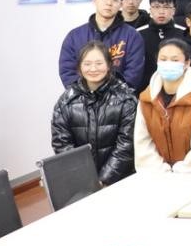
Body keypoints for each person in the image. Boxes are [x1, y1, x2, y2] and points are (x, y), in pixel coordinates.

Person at [51, 41, 137, 186]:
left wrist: (103, 180)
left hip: (119, 180)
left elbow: (126, 147)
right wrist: (86, 178)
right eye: (87, 64)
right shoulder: (66, 101)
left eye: (99, 63)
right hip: (82, 181)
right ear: (79, 67)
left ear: (109, 65)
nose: (93, 69)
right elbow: (61, 144)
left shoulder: (126, 99)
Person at [134, 38, 191, 173]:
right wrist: (162, 172)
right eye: (163, 59)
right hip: (157, 177)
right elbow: (142, 143)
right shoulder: (146, 99)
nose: (168, 64)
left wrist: (182, 172)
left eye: (175, 60)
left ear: (187, 63)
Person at [58, 0, 144, 91]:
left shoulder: (132, 36)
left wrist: (112, 97)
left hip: (119, 99)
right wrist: (87, 95)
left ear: (121, 4)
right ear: (95, 0)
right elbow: (67, 72)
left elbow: (133, 75)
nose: (109, 3)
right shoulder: (74, 36)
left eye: (115, 0)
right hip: (83, 99)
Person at [136, 0, 187, 87]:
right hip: (146, 88)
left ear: (173, 10)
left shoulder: (184, 33)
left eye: (166, 7)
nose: (161, 11)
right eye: (156, 7)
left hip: (178, 86)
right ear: (150, 9)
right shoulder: (138, 34)